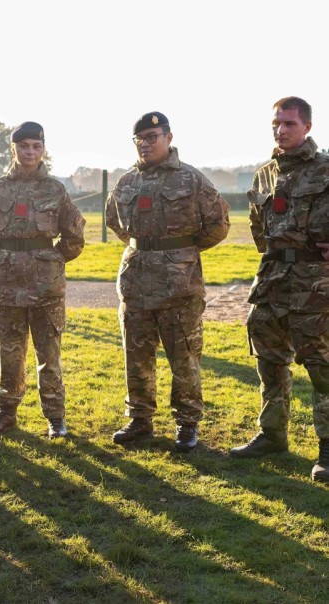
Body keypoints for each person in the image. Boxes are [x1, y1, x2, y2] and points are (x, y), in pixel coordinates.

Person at [106, 112, 230, 452]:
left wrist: (181, 252)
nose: (146, 143)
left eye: (152, 136)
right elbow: (113, 221)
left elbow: (218, 224)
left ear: (169, 137)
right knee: (137, 355)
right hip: (136, 283)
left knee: (184, 357)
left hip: (179, 286)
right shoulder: (126, 182)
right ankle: (140, 419)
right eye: (140, 139)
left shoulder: (191, 180)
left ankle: (187, 423)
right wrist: (144, 248)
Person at [230, 97, 329, 483]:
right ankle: (272, 435)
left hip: (314, 284)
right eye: (276, 123)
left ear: (306, 126)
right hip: (272, 279)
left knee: (321, 369)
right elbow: (259, 228)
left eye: (289, 123)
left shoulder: (325, 171)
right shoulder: (264, 176)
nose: (280, 130)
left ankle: (327, 450)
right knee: (269, 362)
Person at [0, 121, 85, 438]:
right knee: (10, 352)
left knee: (48, 353)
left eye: (36, 147)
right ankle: (6, 413)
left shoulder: (54, 189)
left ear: (43, 149)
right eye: (24, 147)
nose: (30, 152)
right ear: (14, 149)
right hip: (7, 282)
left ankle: (55, 417)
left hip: (45, 284)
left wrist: (53, 258)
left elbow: (74, 233)